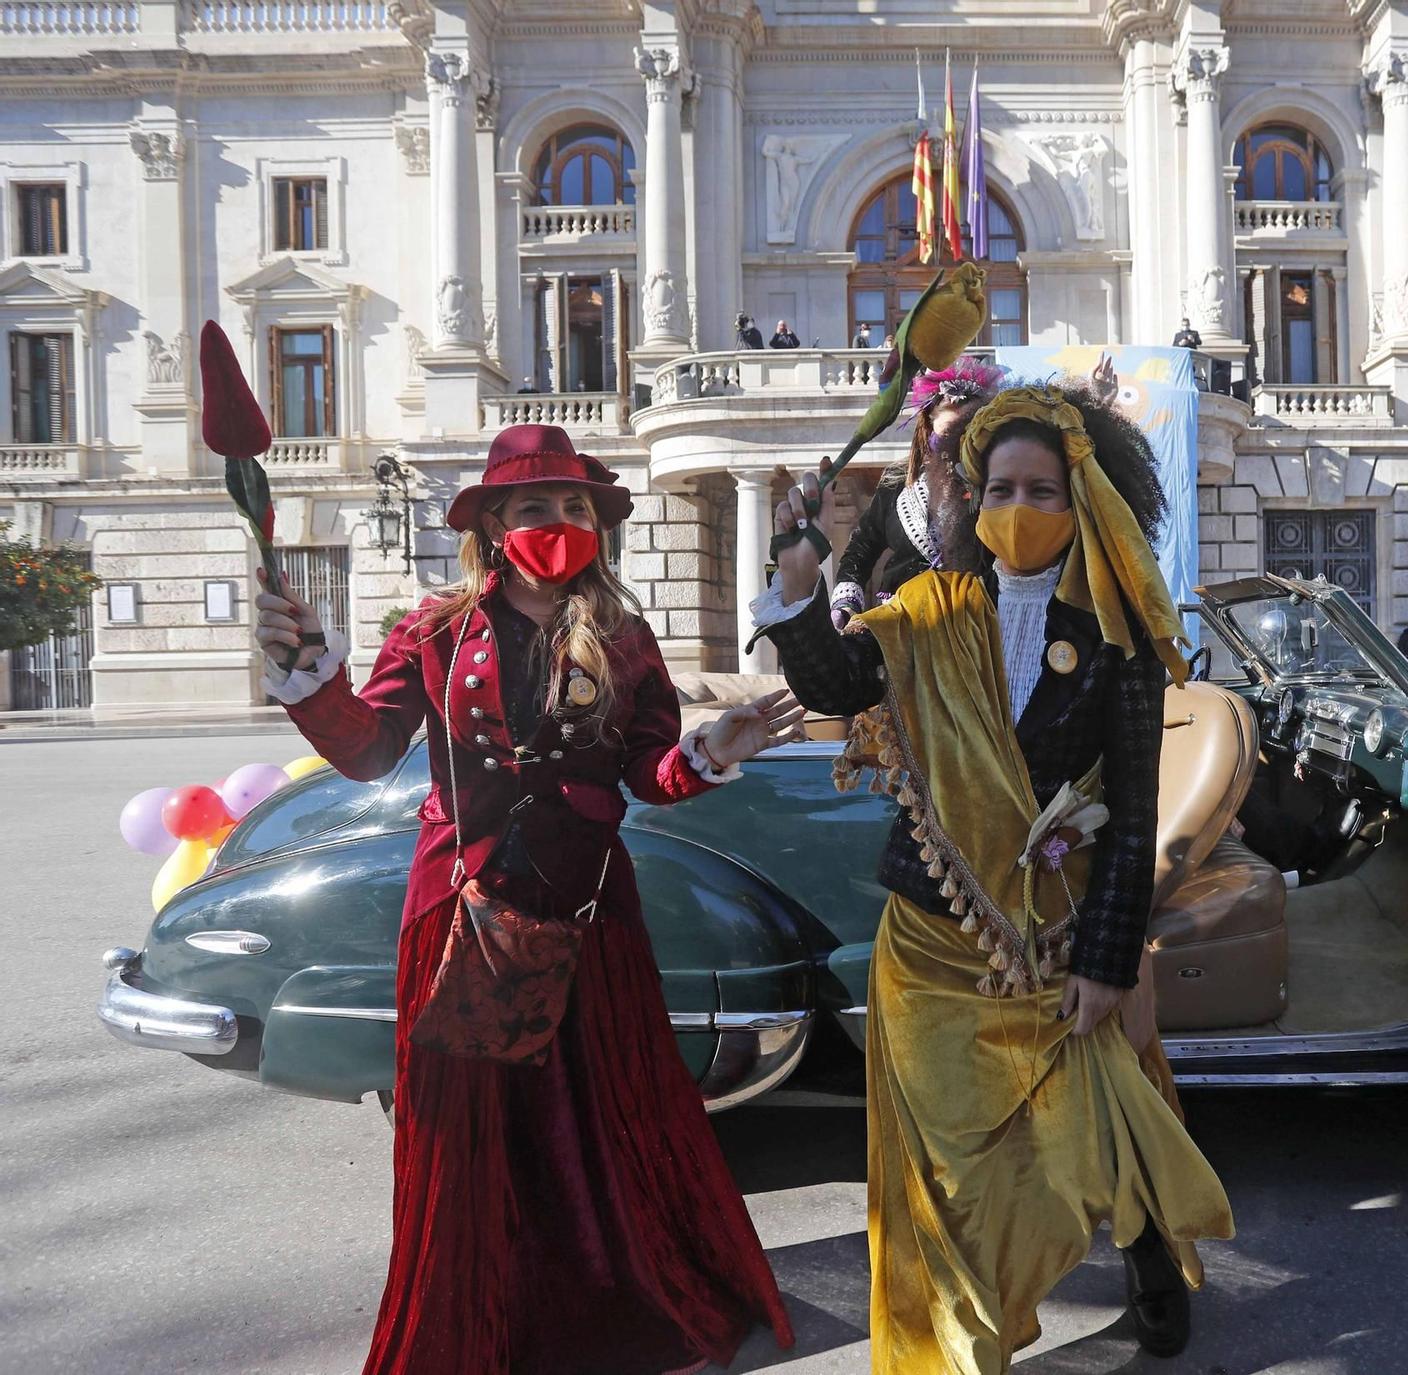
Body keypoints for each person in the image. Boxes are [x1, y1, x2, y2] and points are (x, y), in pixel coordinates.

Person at [253, 425, 800, 1374]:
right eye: (536, 507)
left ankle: (611, 1293)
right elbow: (370, 750)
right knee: (471, 1128)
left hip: (588, 909)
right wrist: (312, 680)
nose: (559, 523)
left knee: (604, 1115)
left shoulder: (623, 637)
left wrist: (716, 751)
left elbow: (651, 773)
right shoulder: (433, 628)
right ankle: (479, 1310)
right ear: (495, 526)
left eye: (576, 507)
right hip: (462, 907)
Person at [756, 383, 1234, 1369]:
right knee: (950, 1184)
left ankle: (1146, 1254)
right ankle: (959, 1350)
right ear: (970, 501)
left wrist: (1106, 962)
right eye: (998, 488)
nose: (1018, 508)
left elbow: (1136, 811)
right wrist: (800, 589)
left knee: (1109, 1129)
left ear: (1084, 498)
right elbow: (840, 686)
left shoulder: (1119, 637)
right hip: (933, 947)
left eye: (1043, 490)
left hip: (1065, 951)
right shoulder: (929, 607)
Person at [830, 359, 1005, 628]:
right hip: (900, 626)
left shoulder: (996, 486)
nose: (955, 441)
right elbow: (863, 545)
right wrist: (846, 600)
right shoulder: (897, 483)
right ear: (929, 424)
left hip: (972, 628)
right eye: (948, 431)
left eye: (966, 431)